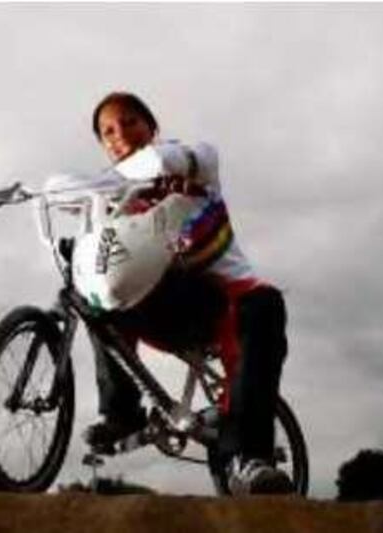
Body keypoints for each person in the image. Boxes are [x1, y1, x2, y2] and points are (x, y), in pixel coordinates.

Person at [83, 91, 293, 495]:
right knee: (94, 290)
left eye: (129, 122)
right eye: (108, 131)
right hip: (166, 304)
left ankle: (250, 457)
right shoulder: (111, 195)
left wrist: (150, 163)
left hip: (223, 300)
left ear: (152, 126)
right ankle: (122, 412)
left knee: (265, 304)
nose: (119, 134)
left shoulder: (190, 160)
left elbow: (200, 154)